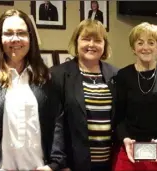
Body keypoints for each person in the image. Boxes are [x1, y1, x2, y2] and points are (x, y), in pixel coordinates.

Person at [0, 9, 65, 170]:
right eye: (8, 33)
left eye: (21, 33)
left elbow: (58, 123)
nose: (15, 39)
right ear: (0, 38)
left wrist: (54, 164)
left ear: (30, 37)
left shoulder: (47, 79)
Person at [112, 22, 157, 171]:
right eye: (140, 42)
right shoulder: (123, 75)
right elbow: (118, 115)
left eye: (151, 42)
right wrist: (124, 138)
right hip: (131, 151)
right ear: (133, 47)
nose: (146, 47)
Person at [50, 19, 118, 171]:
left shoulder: (116, 75)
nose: (91, 45)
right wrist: (60, 163)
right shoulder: (58, 75)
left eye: (98, 40)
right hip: (74, 164)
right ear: (76, 42)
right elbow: (56, 124)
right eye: (86, 39)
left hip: (110, 162)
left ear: (104, 45)